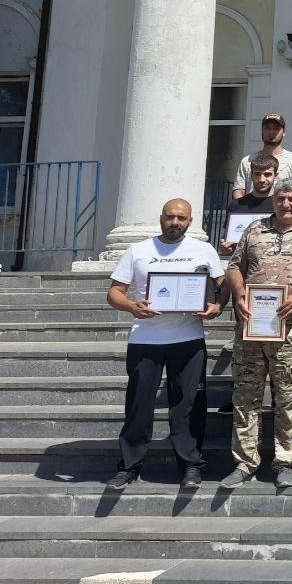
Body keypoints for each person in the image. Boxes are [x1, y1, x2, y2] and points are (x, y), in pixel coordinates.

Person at [104, 199, 224, 491]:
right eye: (170, 217)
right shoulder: (139, 250)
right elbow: (114, 293)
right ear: (161, 218)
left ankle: (191, 466)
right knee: (139, 406)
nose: (175, 222)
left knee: (188, 406)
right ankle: (129, 466)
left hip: (188, 339)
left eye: (181, 218)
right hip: (146, 339)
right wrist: (133, 307)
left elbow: (222, 286)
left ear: (190, 221)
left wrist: (217, 307)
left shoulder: (204, 250)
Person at [222, 178, 292, 489]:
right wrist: (240, 293)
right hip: (251, 326)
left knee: (289, 396)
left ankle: (286, 461)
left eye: (291, 199)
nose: (285, 204)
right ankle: (244, 462)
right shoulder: (255, 229)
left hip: (290, 327)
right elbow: (234, 266)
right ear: (273, 200)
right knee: (245, 394)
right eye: (281, 198)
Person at [232, 113, 292, 199]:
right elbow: (239, 191)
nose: (271, 132)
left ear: (284, 132)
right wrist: (241, 210)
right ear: (262, 131)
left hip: (281, 211)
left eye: (276, 128)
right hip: (251, 211)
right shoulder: (247, 161)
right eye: (267, 128)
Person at [220, 154, 278, 258]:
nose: (261, 179)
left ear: (276, 175)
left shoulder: (281, 206)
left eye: (267, 174)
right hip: (241, 266)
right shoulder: (236, 205)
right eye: (257, 174)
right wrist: (225, 248)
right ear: (251, 175)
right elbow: (227, 242)